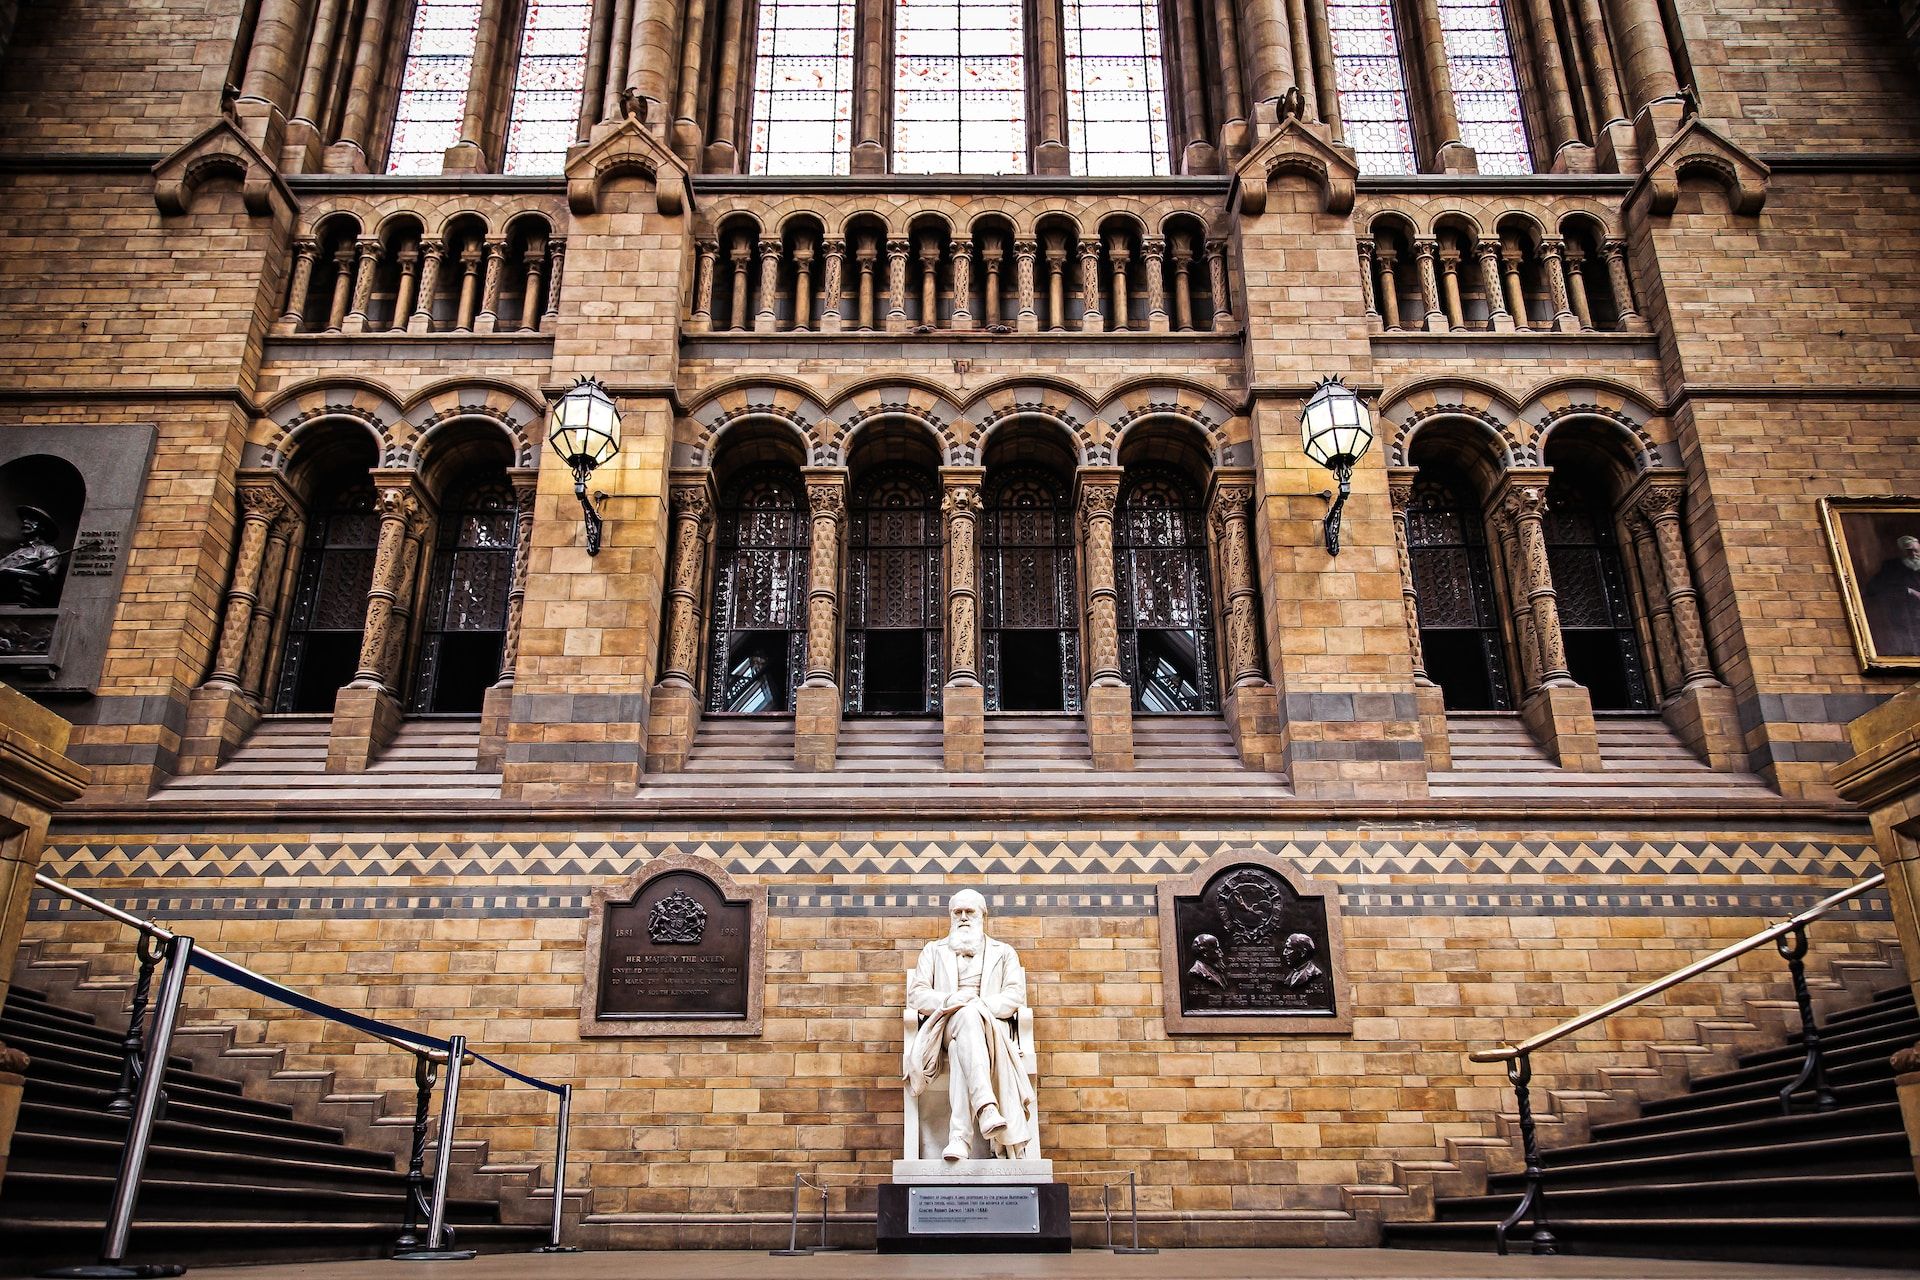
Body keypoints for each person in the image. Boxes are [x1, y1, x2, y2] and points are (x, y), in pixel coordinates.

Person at [904, 889, 1039, 1161]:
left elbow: (1014, 995)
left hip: (990, 1030)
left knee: (960, 1045)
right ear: (951, 916)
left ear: (982, 915)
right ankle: (986, 1107)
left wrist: (979, 1006)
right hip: (944, 1026)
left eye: (970, 912)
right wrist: (953, 1000)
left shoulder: (1004, 952)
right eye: (958, 912)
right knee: (964, 1017)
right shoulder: (933, 951)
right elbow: (917, 994)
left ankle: (959, 1139)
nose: (964, 917)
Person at [1864, 533, 1920, 656]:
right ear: (1902, 552)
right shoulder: (1891, 566)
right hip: (1902, 612)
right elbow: (1875, 588)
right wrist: (1909, 591)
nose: (1913, 555)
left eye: (1916, 551)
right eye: (1908, 551)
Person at [0, 506, 64, 607]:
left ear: (43, 527)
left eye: (32, 519)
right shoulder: (16, 552)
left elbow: (46, 576)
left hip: (23, 595)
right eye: (24, 519)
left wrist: (10, 572)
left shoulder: (48, 551)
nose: (25, 521)